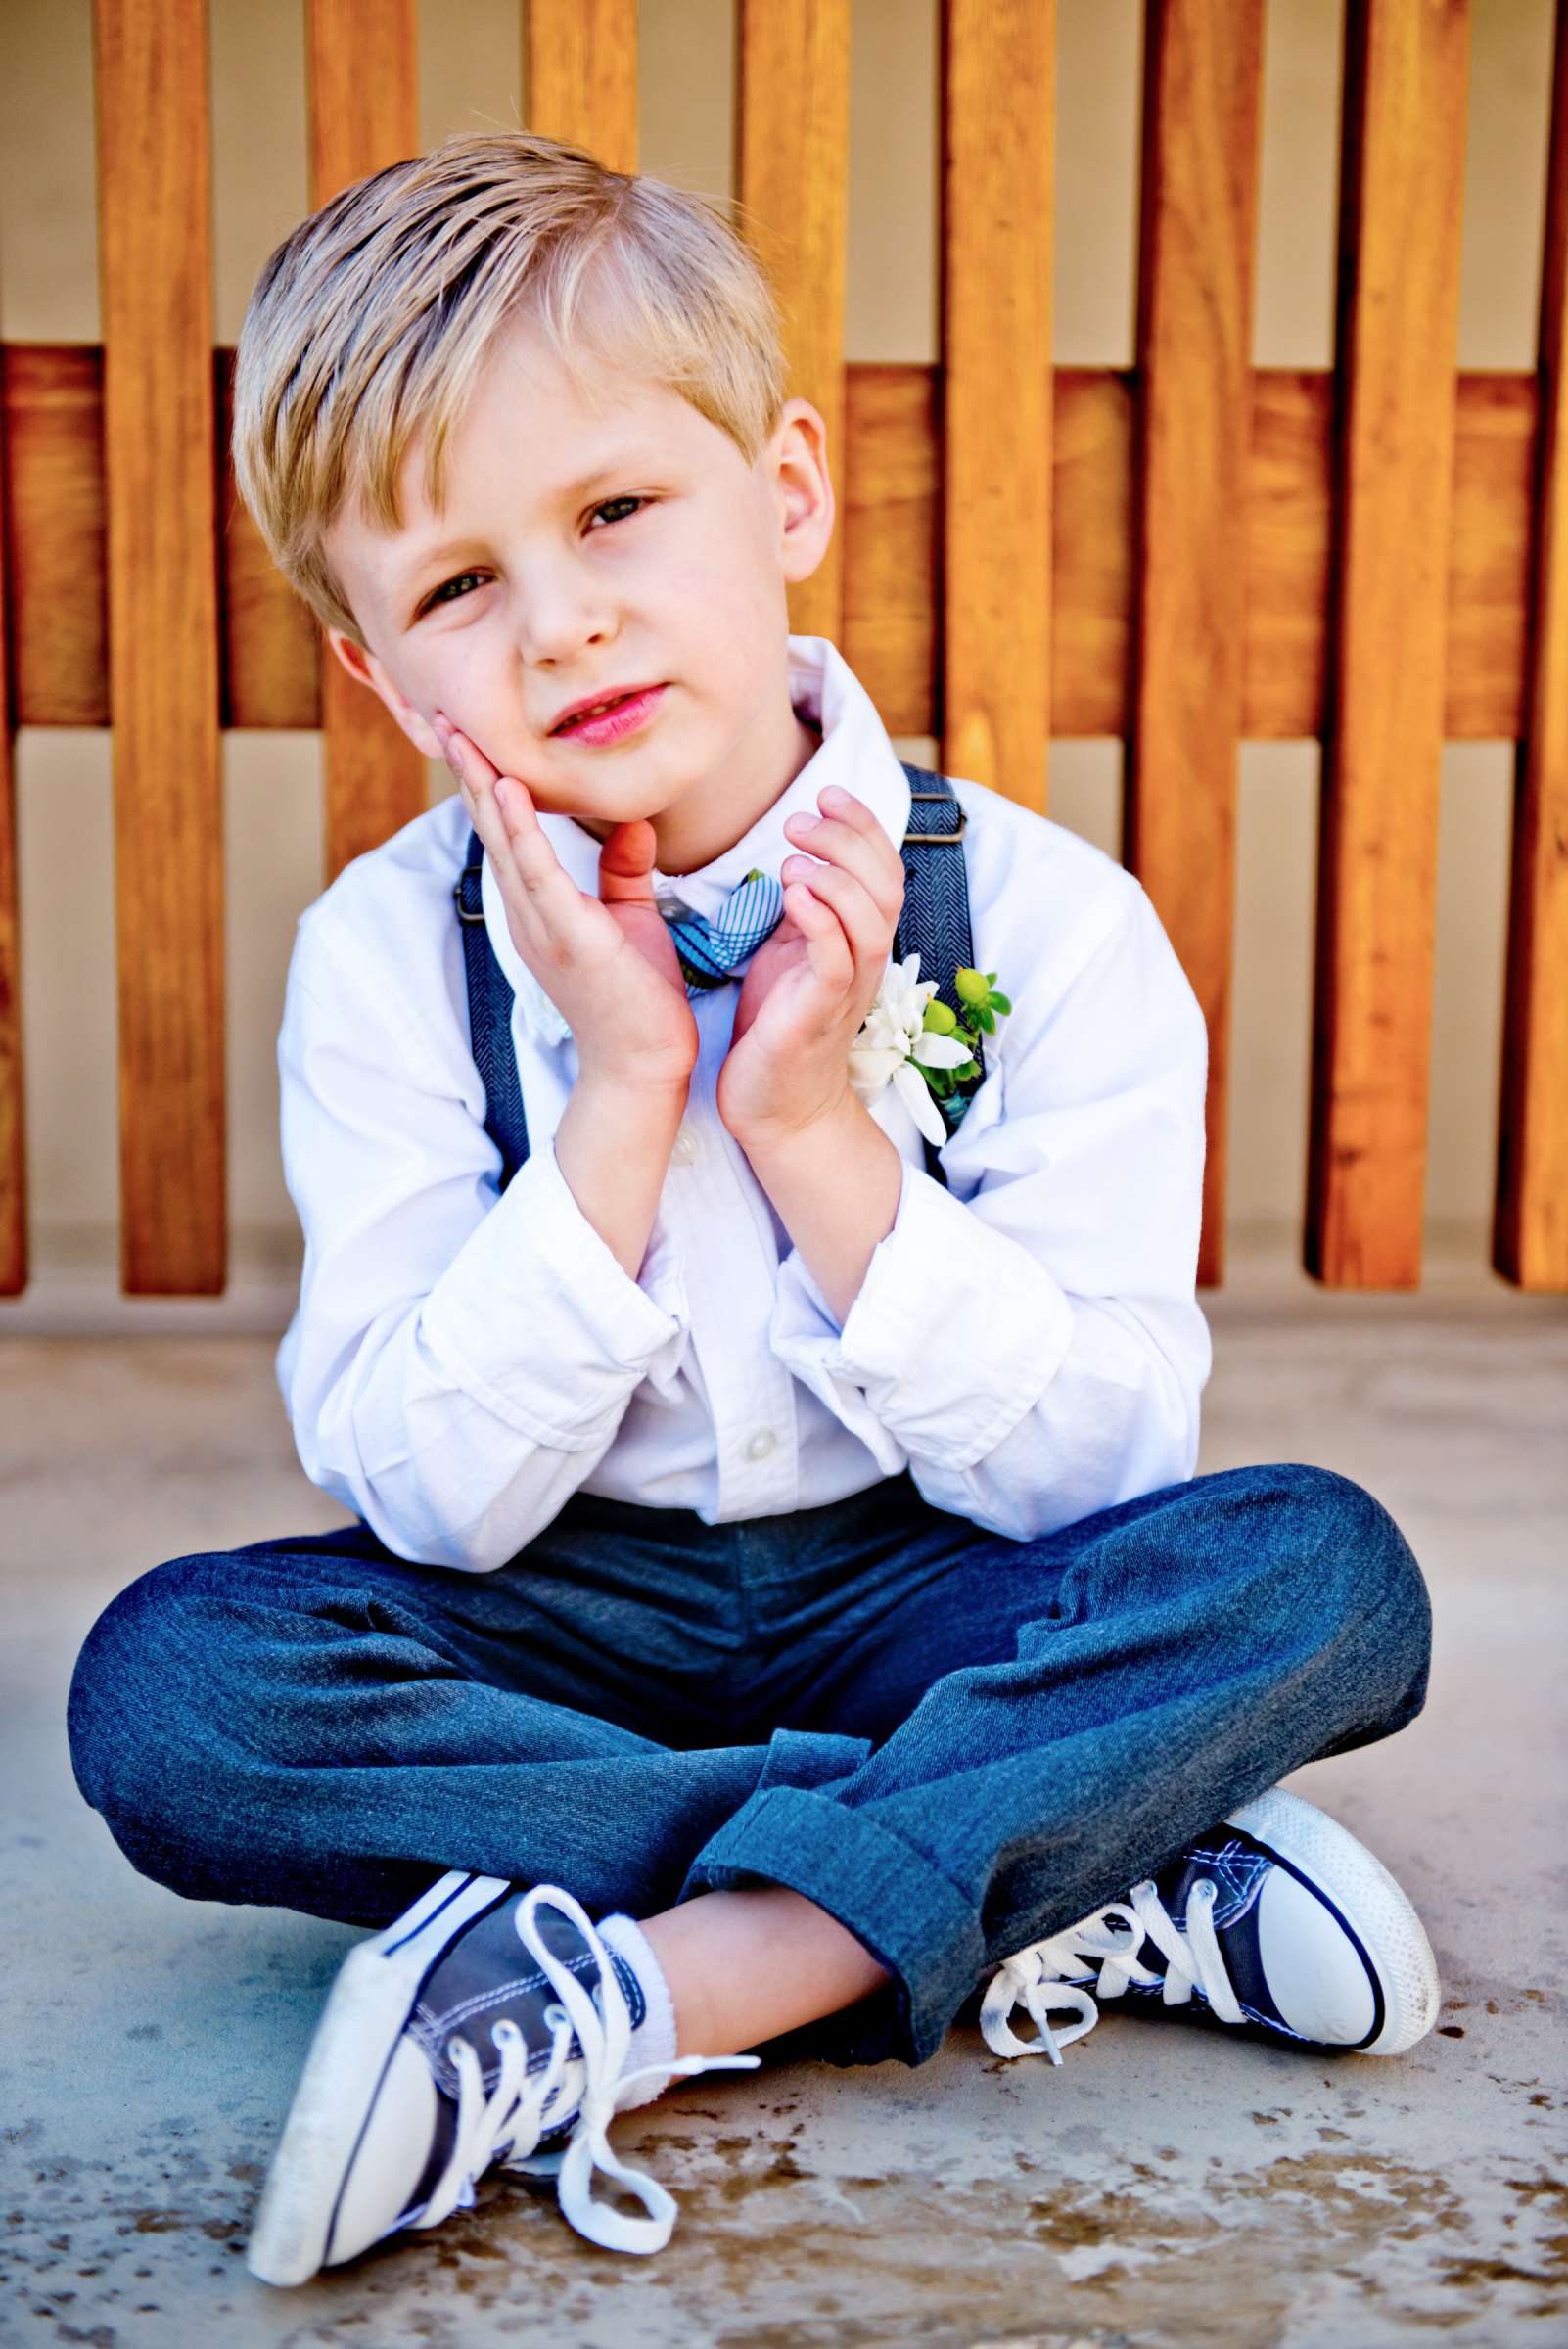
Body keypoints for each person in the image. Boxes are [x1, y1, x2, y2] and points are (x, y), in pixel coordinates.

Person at [64, 131, 1439, 2288]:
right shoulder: (382, 956)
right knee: (175, 1694)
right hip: (564, 1626)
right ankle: (1047, 1860)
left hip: (934, 1587)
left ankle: (666, 1981)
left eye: (614, 511)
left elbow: (1102, 1461)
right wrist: (622, 1099)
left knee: (1322, 1579)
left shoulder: (1056, 925)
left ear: (784, 492)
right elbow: (428, 1505)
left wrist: (816, 1139)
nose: (567, 617)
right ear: (383, 679)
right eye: (455, 586)